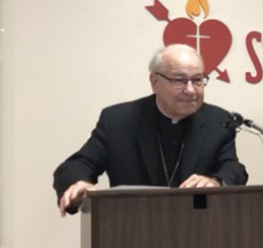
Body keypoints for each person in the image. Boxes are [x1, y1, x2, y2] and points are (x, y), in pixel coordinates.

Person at [53, 44, 248, 216]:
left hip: (199, 231)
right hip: (133, 230)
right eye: (179, 80)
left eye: (197, 80)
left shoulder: (218, 121)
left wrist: (215, 182)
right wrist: (78, 184)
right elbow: (77, 165)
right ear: (154, 82)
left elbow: (233, 169)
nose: (190, 90)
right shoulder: (119, 121)